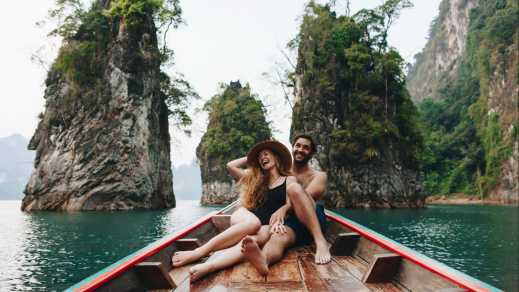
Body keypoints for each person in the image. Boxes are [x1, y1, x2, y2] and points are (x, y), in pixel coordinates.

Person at [186, 140, 329, 280]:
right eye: (260, 157)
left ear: (276, 157)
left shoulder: (289, 180)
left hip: (285, 222)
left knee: (278, 236)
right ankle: (209, 266)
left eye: (266, 154)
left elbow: (293, 201)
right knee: (250, 240)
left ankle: (264, 260)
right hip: (268, 224)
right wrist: (252, 158)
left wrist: (282, 211)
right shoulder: (257, 180)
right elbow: (231, 166)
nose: (263, 158)